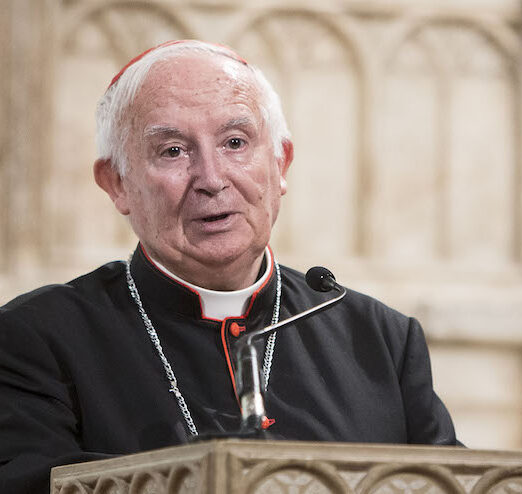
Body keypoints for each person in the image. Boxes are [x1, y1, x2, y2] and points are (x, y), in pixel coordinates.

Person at [0, 40, 459, 493]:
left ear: (280, 163)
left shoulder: (382, 340)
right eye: (173, 151)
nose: (212, 179)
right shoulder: (36, 340)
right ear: (117, 183)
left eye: (235, 143)